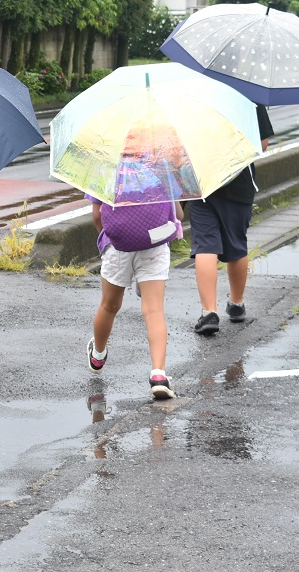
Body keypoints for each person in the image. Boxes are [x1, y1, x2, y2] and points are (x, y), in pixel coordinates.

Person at [189, 104, 275, 335]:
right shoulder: (248, 96)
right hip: (239, 181)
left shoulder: (197, 96)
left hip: (203, 180)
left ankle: (209, 312)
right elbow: (262, 143)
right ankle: (236, 304)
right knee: (237, 244)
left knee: (205, 244)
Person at [87, 197, 185, 400]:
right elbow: (179, 215)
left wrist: (112, 238)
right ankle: (159, 375)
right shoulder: (160, 166)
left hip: (117, 245)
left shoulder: (108, 168)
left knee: (108, 306)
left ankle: (97, 356)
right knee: (154, 310)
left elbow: (98, 215)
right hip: (155, 243)